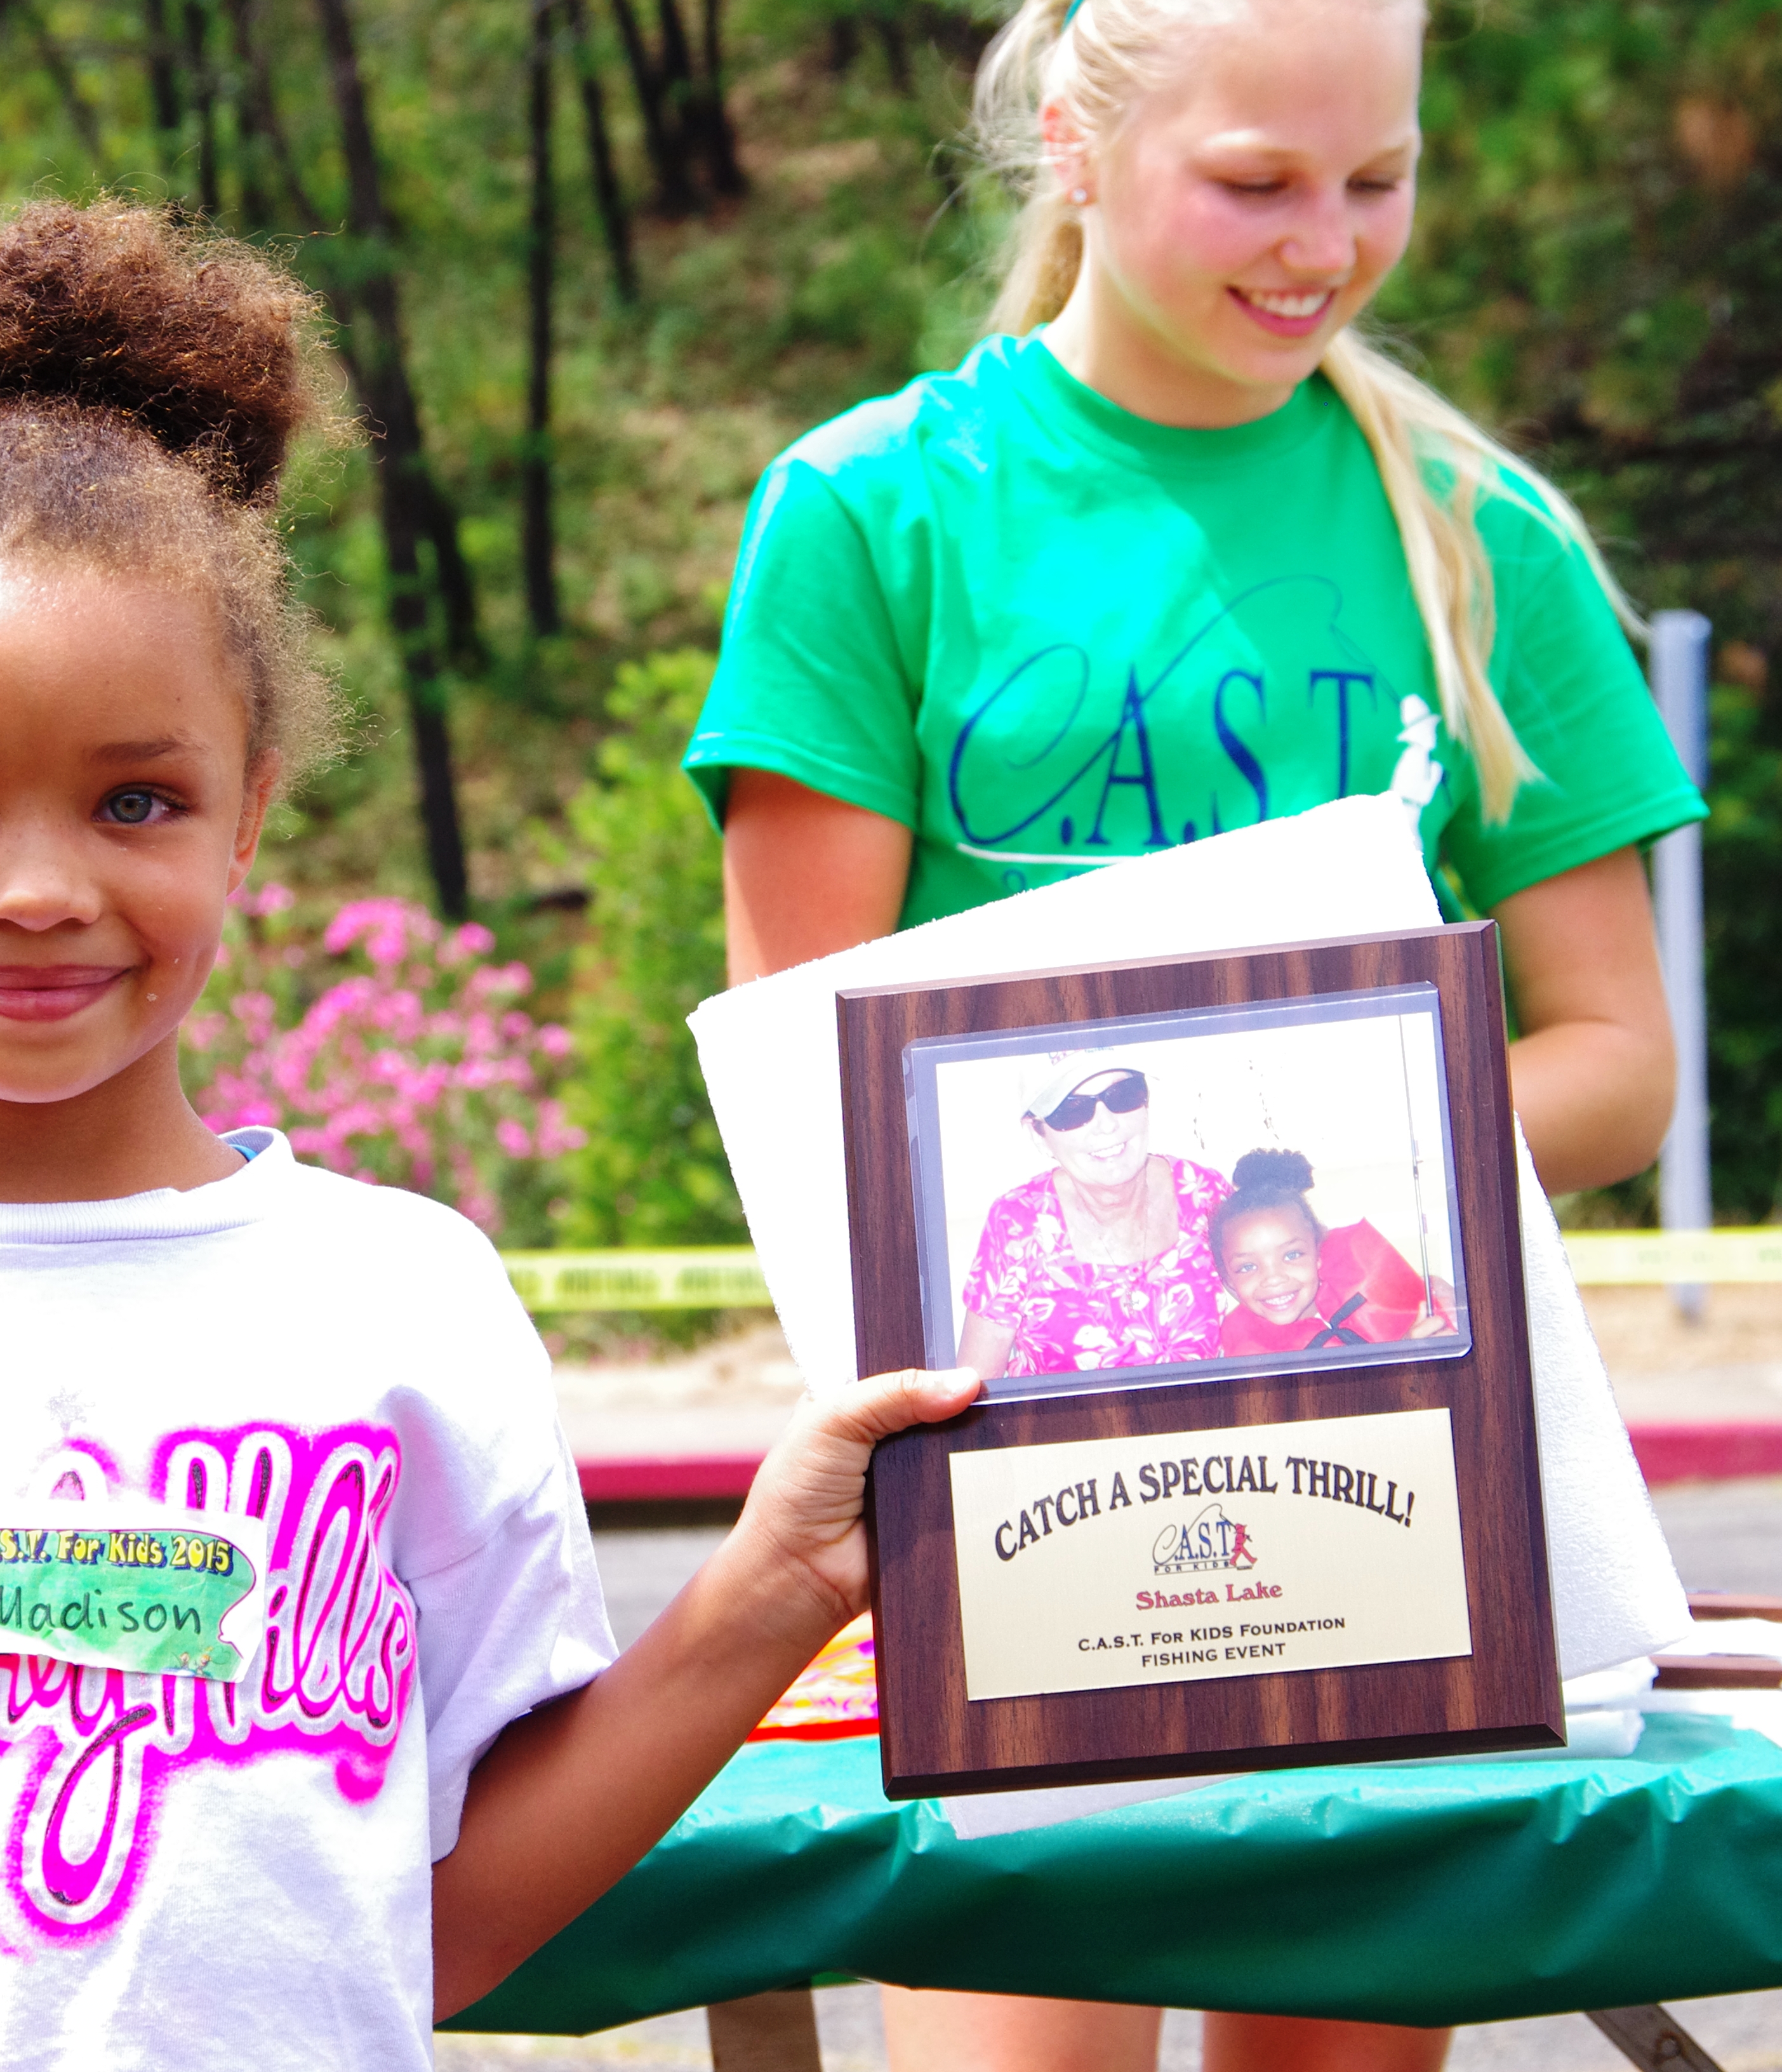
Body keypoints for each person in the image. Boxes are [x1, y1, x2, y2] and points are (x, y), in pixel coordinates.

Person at [0, 201, 979, 2072]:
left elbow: (442, 1922)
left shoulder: (401, 1299)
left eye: (135, 800)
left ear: (248, 812)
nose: (36, 888)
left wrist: (779, 1583)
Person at [687, 0, 1707, 2060]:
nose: (1323, 242)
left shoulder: (1479, 533)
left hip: (1394, 1477)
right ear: (1073, 139)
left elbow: (1617, 1061)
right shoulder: (869, 512)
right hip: (1004, 1506)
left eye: (1377, 177)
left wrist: (1332, 1149)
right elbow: (811, 1103)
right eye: (1254, 182)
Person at [960, 1061, 1232, 1379]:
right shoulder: (1017, 1222)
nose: (1107, 1125)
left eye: (1123, 1095)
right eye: (1072, 1111)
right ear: (1038, 1134)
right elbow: (974, 1386)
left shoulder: (1203, 1193)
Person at [1209, 1150, 1455, 1357]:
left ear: (1318, 1255)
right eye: (1248, 1267)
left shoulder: (1374, 1277)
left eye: (1292, 1255)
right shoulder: (1244, 1353)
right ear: (1230, 1282)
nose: (1273, 1278)